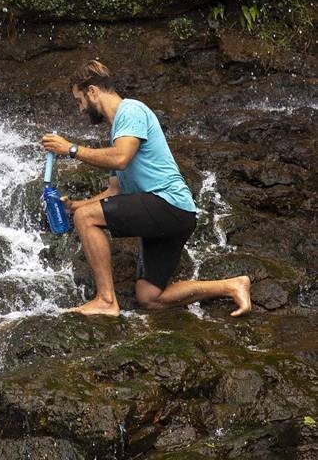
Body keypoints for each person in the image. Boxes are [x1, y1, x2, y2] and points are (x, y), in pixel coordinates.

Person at [42, 60, 251, 317]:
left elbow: (120, 158)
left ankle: (106, 300)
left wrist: (71, 150)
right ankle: (232, 285)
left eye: (80, 100)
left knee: (86, 219)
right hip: (175, 214)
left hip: (169, 204)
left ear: (93, 91)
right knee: (150, 297)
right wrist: (75, 206)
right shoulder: (119, 132)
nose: (81, 108)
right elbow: (115, 192)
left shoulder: (131, 111)